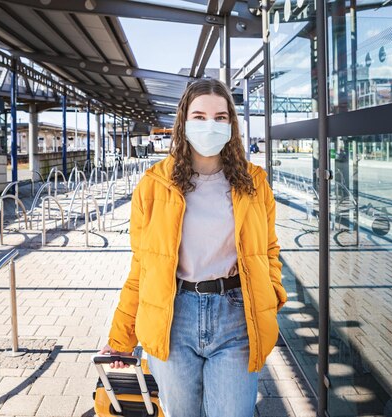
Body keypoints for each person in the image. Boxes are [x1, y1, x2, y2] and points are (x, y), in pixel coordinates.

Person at [97, 78, 287, 417]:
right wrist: (120, 338)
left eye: (220, 117)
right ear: (183, 122)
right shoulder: (154, 185)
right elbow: (142, 266)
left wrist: (271, 295)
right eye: (199, 117)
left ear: (232, 124)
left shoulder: (255, 183)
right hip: (173, 317)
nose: (209, 125)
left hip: (236, 317)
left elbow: (269, 250)